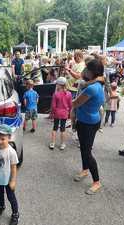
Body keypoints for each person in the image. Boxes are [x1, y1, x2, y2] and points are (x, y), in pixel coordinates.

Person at [72, 59, 105, 195]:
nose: (84, 71)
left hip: (88, 123)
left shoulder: (92, 88)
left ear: (93, 72)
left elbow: (75, 103)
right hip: (86, 120)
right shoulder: (96, 82)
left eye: (87, 69)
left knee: (87, 152)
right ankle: (85, 169)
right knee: (84, 149)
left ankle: (96, 181)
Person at [0, 124, 20, 225]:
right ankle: (1, 206)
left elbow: (14, 167)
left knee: (11, 197)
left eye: (3, 139)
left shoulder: (11, 152)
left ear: (9, 138)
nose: (0, 141)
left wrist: (13, 181)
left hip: (8, 180)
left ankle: (15, 214)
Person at [49, 77, 72, 150]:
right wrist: (69, 113)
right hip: (64, 113)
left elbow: (53, 106)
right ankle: (62, 144)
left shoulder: (56, 94)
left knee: (55, 128)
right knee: (63, 129)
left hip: (57, 113)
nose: (56, 85)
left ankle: (52, 143)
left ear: (59, 85)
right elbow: (70, 105)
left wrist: (52, 114)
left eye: (57, 84)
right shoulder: (69, 94)